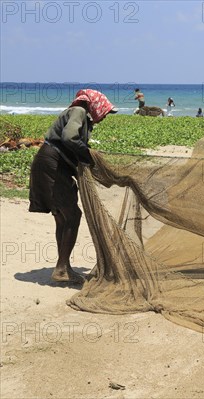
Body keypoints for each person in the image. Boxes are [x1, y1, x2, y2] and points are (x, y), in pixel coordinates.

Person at [29, 89, 118, 283]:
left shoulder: (78, 114)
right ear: (94, 104)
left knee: (63, 218)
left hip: (48, 163)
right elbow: (69, 138)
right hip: (53, 164)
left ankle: (63, 266)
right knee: (72, 216)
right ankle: (61, 268)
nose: (103, 116)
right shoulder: (78, 111)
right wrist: (87, 154)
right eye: (105, 111)